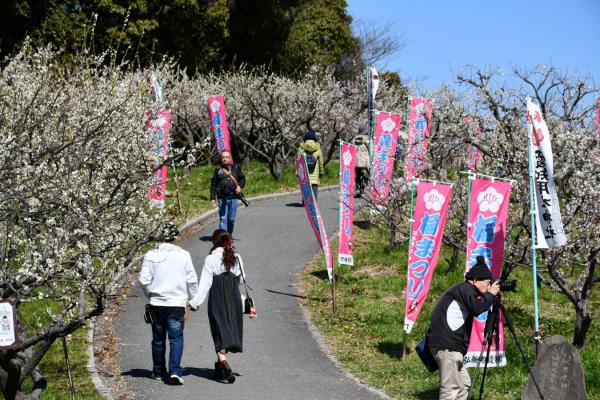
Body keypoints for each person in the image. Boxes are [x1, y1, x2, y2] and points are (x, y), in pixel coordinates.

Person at [427, 256, 501, 400]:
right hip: (448, 347)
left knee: (464, 385)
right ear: (475, 280)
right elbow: (477, 308)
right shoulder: (465, 289)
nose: (489, 286)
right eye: (487, 283)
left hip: (450, 347)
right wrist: (491, 294)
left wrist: (491, 295)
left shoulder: (463, 290)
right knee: (451, 389)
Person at [138, 223, 199, 385]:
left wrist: (150, 293)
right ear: (175, 237)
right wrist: (194, 300)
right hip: (176, 303)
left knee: (158, 339)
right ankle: (175, 371)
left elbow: (143, 280)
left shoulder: (151, 255)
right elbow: (192, 280)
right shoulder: (184, 254)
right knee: (176, 338)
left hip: (157, 302)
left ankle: (158, 371)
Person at [188, 229, 246, 383]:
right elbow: (242, 279)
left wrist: (195, 303)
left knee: (219, 329)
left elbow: (205, 284)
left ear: (214, 242)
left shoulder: (211, 259)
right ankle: (219, 367)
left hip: (218, 297)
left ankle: (223, 362)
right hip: (233, 297)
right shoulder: (237, 257)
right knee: (229, 329)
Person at [210, 151, 246, 235]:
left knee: (231, 219)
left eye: (226, 157)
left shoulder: (236, 168)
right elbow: (213, 185)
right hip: (222, 198)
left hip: (233, 197)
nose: (225, 159)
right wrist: (212, 198)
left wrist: (240, 186)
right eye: (223, 157)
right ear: (221, 158)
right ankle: (223, 238)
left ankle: (229, 235)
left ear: (230, 158)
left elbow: (242, 179)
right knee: (223, 218)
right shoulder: (217, 170)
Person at [297, 131, 324, 200]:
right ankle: (314, 201)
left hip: (304, 172)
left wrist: (297, 172)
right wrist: (321, 171)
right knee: (314, 185)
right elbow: (321, 161)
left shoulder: (301, 148)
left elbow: (298, 161)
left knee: (304, 185)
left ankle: (305, 201)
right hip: (314, 173)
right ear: (315, 139)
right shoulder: (318, 148)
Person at [352, 128, 370, 197]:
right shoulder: (367, 140)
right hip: (365, 162)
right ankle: (363, 190)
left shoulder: (354, 140)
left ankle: (358, 190)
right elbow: (371, 150)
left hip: (356, 162)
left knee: (357, 177)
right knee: (365, 176)